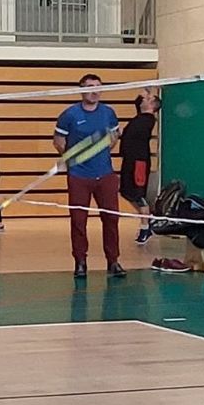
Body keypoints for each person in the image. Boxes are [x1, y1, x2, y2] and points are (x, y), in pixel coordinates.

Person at [54, 74, 125, 279]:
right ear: (82, 90)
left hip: (105, 175)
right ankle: (80, 262)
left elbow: (114, 137)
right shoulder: (69, 115)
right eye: (90, 86)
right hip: (79, 176)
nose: (95, 91)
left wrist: (100, 152)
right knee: (78, 220)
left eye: (98, 87)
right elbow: (58, 141)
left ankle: (113, 261)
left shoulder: (108, 113)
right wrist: (74, 159)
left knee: (111, 219)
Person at [118, 90, 161, 244]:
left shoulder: (148, 120)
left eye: (147, 98)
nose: (143, 99)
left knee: (137, 194)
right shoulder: (139, 118)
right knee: (125, 192)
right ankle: (149, 218)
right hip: (129, 161)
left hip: (139, 163)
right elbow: (138, 102)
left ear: (152, 105)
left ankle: (145, 228)